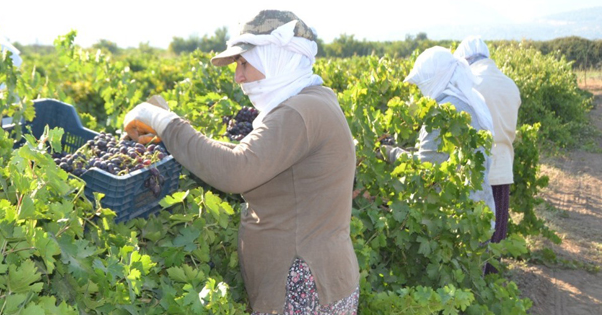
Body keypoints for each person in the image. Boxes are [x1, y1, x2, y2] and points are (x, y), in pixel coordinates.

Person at [122, 9, 360, 315]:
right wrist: (180, 141)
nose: (238, 77)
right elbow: (254, 158)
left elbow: (236, 170)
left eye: (245, 63)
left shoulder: (297, 113)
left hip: (303, 289)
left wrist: (165, 122)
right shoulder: (312, 101)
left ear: (276, 57)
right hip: (314, 281)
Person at [380, 45, 497, 236]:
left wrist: (389, 152)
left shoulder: (441, 114)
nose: (420, 91)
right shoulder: (471, 100)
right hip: (480, 215)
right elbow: (441, 157)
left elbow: (426, 167)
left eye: (421, 84)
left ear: (435, 79)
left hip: (456, 224)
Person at [454, 36, 521, 274]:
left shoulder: (469, 83)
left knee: (473, 239)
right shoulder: (510, 84)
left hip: (475, 171)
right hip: (503, 168)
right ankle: (490, 290)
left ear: (465, 59)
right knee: (495, 239)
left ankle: (473, 292)